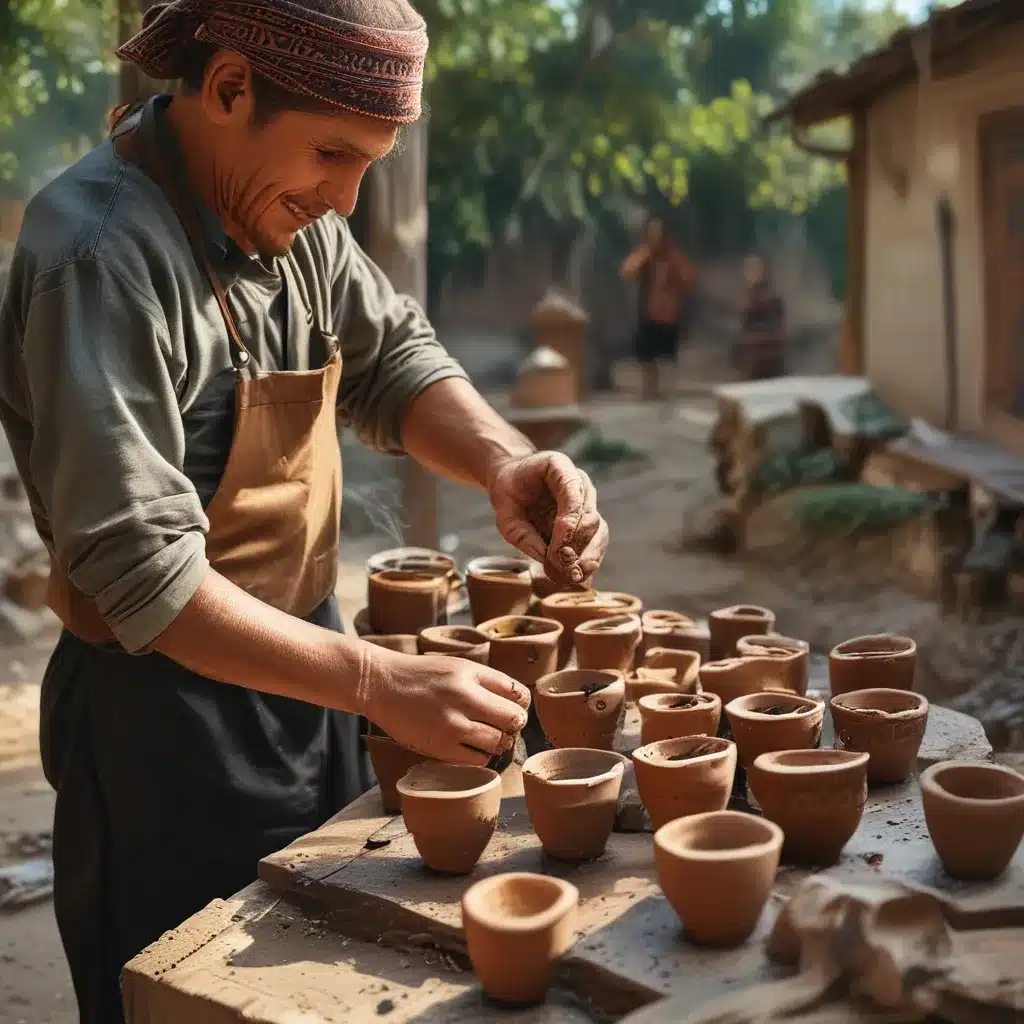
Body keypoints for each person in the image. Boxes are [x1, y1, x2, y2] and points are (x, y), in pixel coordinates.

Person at [0, 1, 609, 1020]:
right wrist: (380, 680)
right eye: (332, 153)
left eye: (370, 162)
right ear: (230, 87)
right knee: (186, 991)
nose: (344, 197)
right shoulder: (100, 252)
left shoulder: (289, 220)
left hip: (307, 676)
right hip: (158, 721)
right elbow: (142, 579)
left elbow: (392, 361)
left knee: (312, 983)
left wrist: (505, 460)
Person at [620, 218, 696, 400]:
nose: (657, 239)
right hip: (648, 312)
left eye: (659, 235)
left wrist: (673, 260)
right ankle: (649, 389)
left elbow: (689, 280)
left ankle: (666, 390)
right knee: (646, 354)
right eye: (653, 235)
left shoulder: (674, 258)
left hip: (669, 313)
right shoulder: (644, 256)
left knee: (667, 355)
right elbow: (626, 272)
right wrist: (645, 253)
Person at [736, 255, 787, 379]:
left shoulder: (770, 296)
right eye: (748, 271)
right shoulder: (750, 294)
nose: (750, 275)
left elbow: (775, 323)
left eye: (754, 271)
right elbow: (744, 320)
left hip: (765, 345)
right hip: (754, 345)